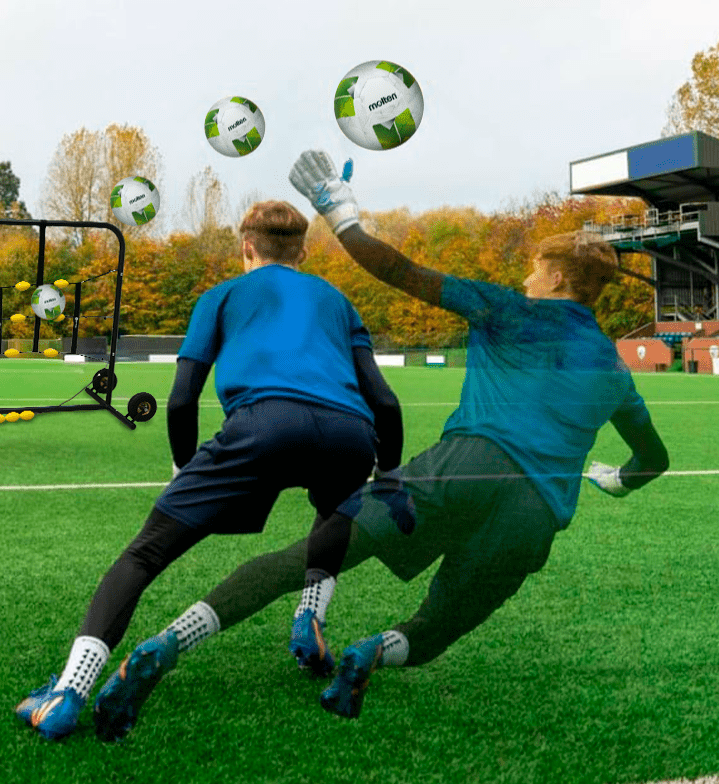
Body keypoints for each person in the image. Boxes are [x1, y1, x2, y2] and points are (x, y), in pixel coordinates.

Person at [89, 150, 669, 729]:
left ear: (559, 278)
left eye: (536, 269)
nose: (527, 278)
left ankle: (169, 642)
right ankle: (370, 653)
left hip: (462, 467)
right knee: (440, 625)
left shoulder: (508, 310)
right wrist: (616, 480)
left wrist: (341, 214)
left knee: (303, 558)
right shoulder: (615, 371)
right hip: (536, 514)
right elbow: (654, 459)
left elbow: (398, 270)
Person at [15, 198, 403, 741]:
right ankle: (310, 617)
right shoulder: (338, 301)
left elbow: (181, 401)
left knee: (145, 553)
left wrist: (182, 466)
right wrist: (389, 476)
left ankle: (68, 691)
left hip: (263, 428)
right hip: (351, 435)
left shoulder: (221, 296)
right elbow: (384, 402)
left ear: (246, 247)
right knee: (338, 505)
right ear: (303, 251)